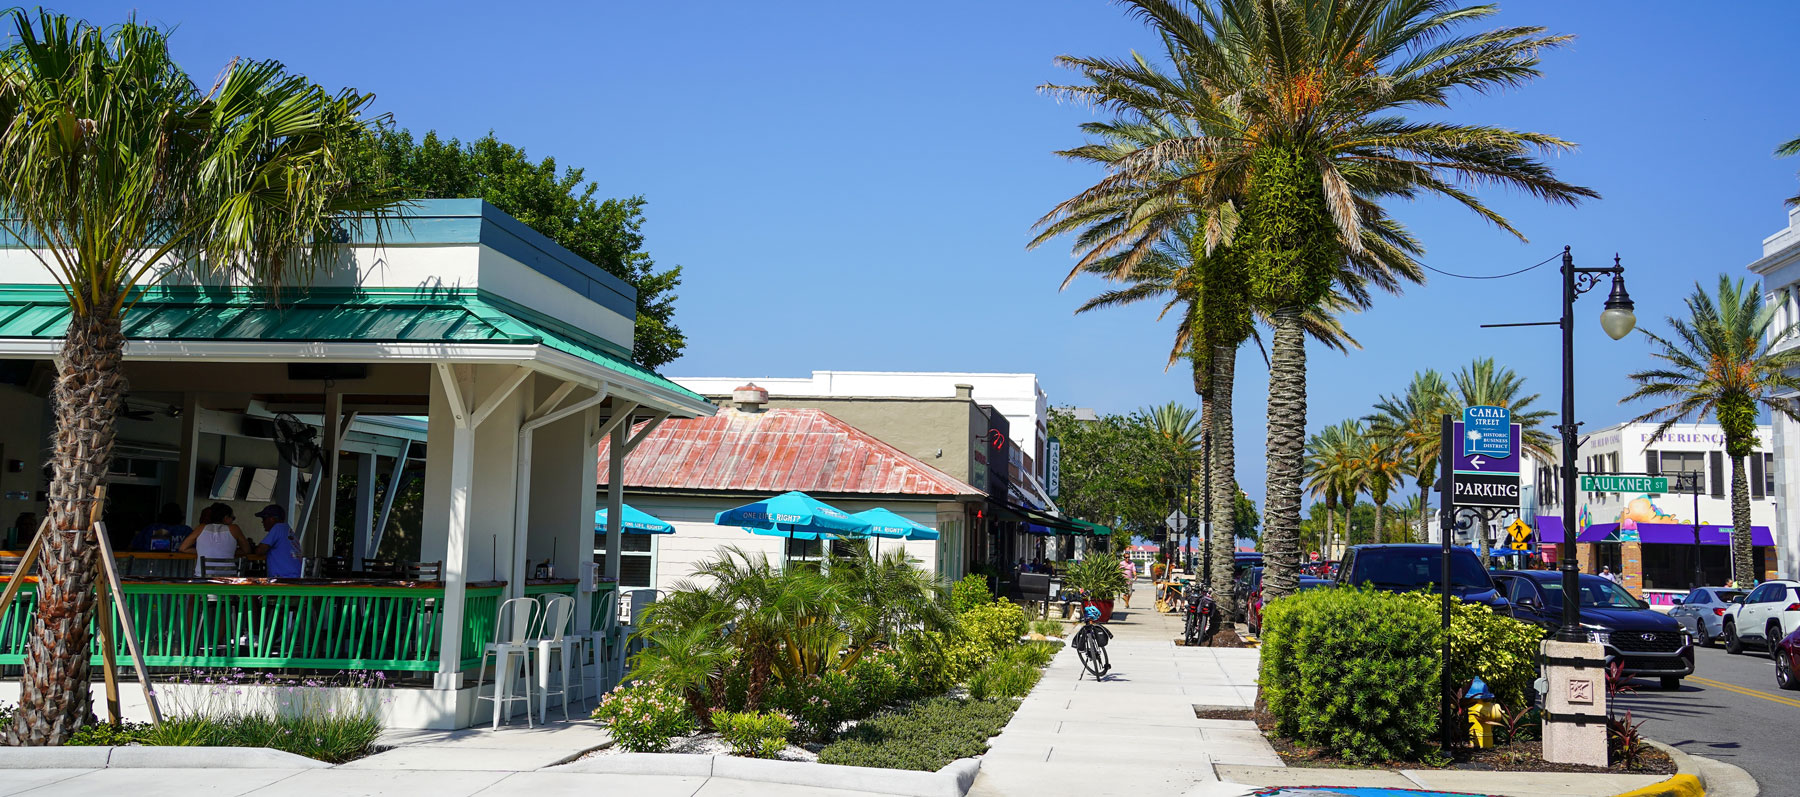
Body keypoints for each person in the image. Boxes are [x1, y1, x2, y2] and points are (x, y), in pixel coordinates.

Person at [179, 504, 248, 575]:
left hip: (203, 575)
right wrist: (227, 551)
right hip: (228, 575)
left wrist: (202, 551)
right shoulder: (235, 529)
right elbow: (246, 550)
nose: (233, 521)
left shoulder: (200, 528)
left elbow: (183, 548)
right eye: (233, 518)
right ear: (226, 517)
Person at [252, 504, 302, 579]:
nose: (262, 522)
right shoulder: (288, 530)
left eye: (264, 518)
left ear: (272, 519)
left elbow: (260, 551)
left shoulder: (278, 528)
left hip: (283, 578)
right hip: (295, 577)